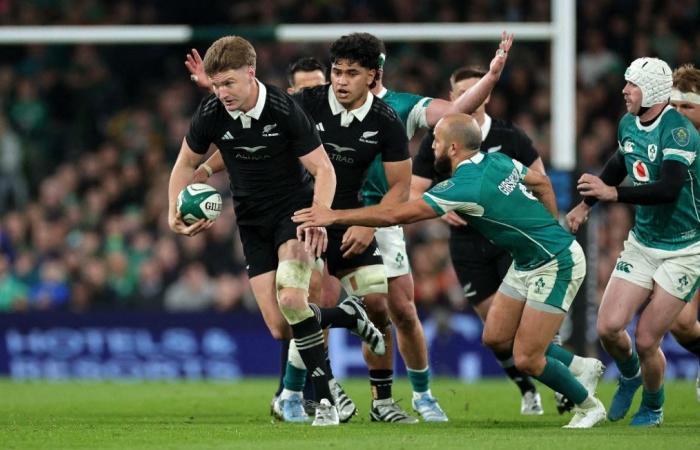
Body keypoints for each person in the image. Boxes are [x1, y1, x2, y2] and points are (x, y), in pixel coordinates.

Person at [293, 113, 608, 429]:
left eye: (437, 142)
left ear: (454, 148)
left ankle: (588, 406)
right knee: (497, 336)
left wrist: (334, 217)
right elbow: (541, 182)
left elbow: (395, 215)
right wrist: (549, 224)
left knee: (527, 358)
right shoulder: (497, 161)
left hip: (555, 262)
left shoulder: (464, 187)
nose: (432, 149)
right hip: (528, 260)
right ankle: (582, 365)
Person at [168, 35, 386, 427]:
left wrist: (319, 214)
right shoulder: (212, 111)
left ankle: (323, 403)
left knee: (291, 297)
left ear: (251, 73)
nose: (221, 93)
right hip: (251, 222)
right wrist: (173, 211)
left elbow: (324, 169)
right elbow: (184, 163)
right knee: (279, 326)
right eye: (216, 85)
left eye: (228, 83)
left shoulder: (284, 109)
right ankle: (345, 315)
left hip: (294, 213)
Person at [326, 31, 514, 422]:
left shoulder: (401, 106)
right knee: (324, 302)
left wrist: (491, 77)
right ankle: (305, 393)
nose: (342, 80)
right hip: (331, 217)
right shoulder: (326, 103)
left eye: (353, 71)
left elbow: (454, 112)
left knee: (400, 311)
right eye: (338, 71)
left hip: (384, 216)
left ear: (375, 72)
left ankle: (420, 396)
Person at [410, 66, 552, 415]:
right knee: (496, 332)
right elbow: (415, 191)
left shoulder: (510, 136)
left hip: (507, 239)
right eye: (460, 92)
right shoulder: (438, 138)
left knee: (523, 324)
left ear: (486, 94)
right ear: (451, 96)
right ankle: (526, 389)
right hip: (466, 243)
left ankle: (563, 382)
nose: (468, 98)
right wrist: (443, 211)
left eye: (475, 90)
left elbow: (540, 180)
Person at [567, 57, 700, 426]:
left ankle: (654, 406)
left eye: (632, 85)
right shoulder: (628, 123)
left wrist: (614, 195)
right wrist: (585, 204)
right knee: (608, 328)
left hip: (685, 250)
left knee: (645, 340)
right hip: (643, 243)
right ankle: (630, 376)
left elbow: (669, 189)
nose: (624, 90)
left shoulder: (679, 132)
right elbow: (618, 164)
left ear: (653, 91)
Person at [666, 64, 700, 402]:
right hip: (690, 242)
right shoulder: (668, 140)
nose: (677, 114)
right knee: (682, 324)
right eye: (673, 106)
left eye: (686, 106)